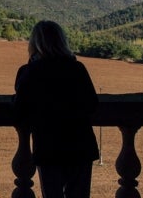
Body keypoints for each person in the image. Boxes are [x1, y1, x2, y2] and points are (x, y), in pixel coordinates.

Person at [14, 20, 99, 198]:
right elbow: (92, 105)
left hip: (48, 147)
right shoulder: (77, 69)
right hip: (80, 145)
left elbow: (20, 111)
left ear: (35, 43)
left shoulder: (29, 72)